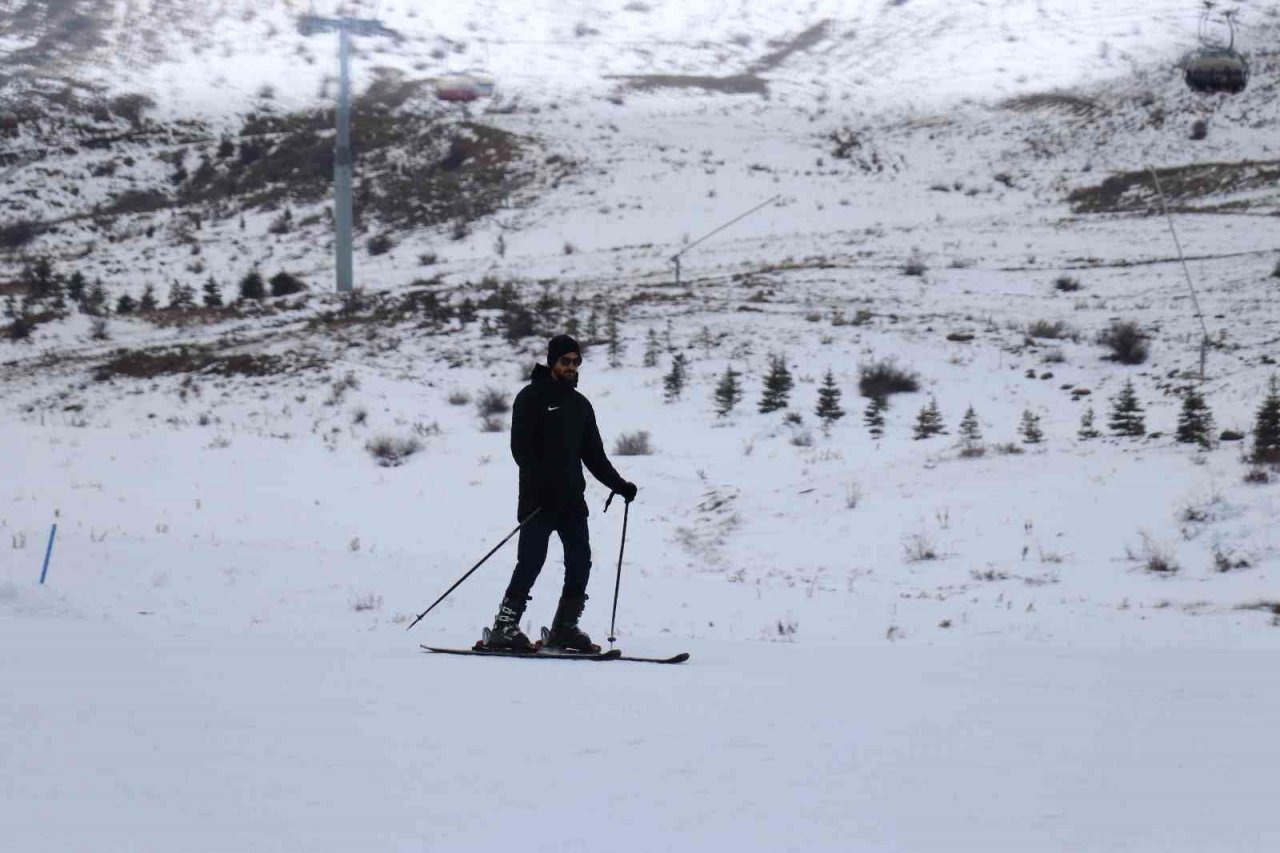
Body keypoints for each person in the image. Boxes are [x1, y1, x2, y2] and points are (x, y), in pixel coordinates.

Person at [486, 334, 638, 652]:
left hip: (571, 502)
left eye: (576, 362)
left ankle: (564, 628)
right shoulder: (530, 398)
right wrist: (544, 487)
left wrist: (619, 485)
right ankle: (505, 627)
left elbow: (593, 455)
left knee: (581, 561)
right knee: (531, 561)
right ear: (552, 362)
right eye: (565, 361)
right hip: (538, 501)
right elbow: (521, 451)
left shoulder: (580, 406)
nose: (571, 367)